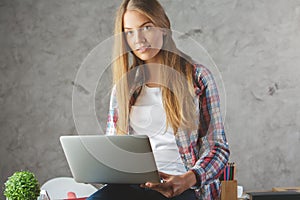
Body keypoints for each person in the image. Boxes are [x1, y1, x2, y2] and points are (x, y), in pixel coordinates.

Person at [88, 0, 229, 199]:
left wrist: (188, 178)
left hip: (183, 186)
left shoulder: (197, 77)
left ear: (163, 28)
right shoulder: (124, 87)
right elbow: (114, 150)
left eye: (146, 27)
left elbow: (218, 148)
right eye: (129, 31)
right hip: (135, 186)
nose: (139, 39)